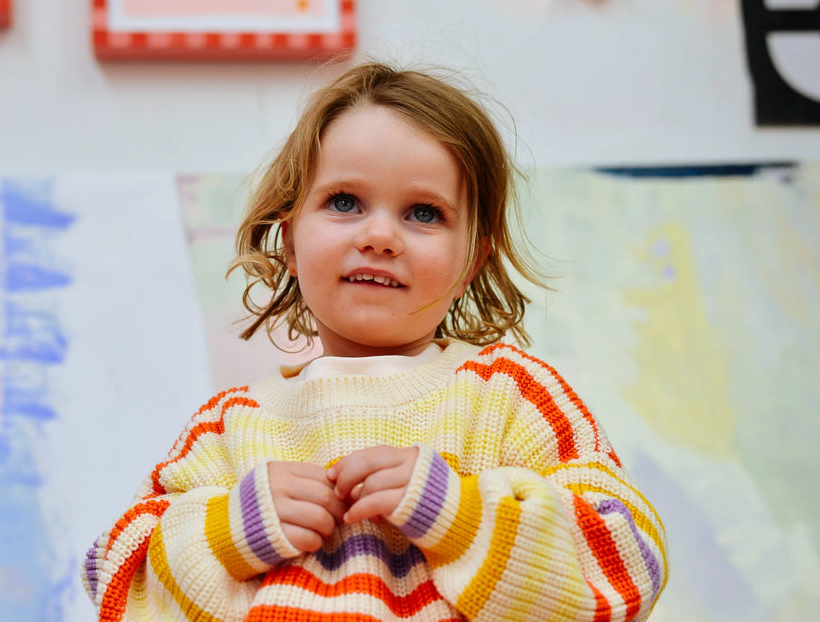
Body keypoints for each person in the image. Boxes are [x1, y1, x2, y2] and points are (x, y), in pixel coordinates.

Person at [82, 61, 668, 621]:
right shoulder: (231, 426)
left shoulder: (510, 397)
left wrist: (462, 515)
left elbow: (627, 559)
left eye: (423, 212)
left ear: (471, 260)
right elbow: (115, 577)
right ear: (289, 238)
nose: (381, 235)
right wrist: (228, 532)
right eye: (344, 202)